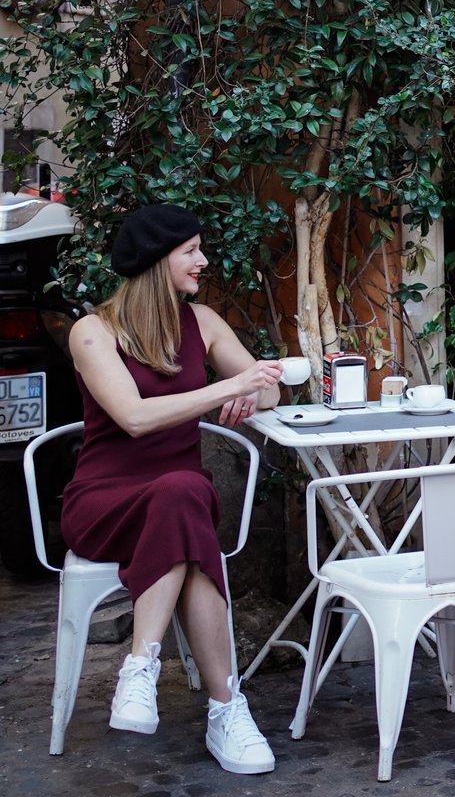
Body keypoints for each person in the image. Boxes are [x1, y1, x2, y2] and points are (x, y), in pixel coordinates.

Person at [63, 205, 281, 774]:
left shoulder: (203, 322)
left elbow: (268, 391)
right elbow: (134, 417)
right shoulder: (93, 332)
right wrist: (226, 389)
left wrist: (249, 391)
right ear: (157, 260)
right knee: (187, 515)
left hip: (178, 496)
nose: (202, 261)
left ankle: (142, 670)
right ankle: (225, 709)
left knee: (182, 495)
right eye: (190, 251)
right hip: (106, 501)